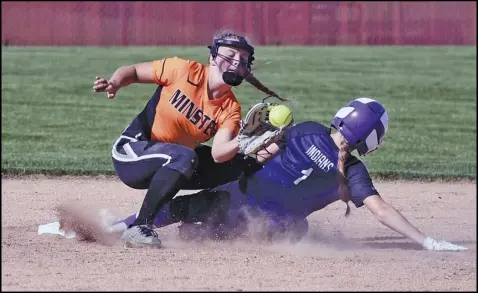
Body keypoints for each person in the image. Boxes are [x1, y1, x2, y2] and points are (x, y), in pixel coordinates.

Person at [108, 97, 468, 251]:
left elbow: (261, 154)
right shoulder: (354, 171)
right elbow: (381, 210)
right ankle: (214, 236)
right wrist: (425, 241)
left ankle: (122, 227)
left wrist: (247, 141)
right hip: (274, 226)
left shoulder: (309, 128)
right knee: (297, 228)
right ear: (370, 140)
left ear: (344, 115)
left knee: (179, 209)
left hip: (234, 200)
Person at [92, 29, 282, 248]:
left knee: (237, 167)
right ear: (213, 57)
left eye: (242, 59)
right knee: (185, 157)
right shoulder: (183, 70)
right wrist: (115, 82)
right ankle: (140, 226)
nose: (236, 62)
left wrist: (245, 140)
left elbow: (219, 154)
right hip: (133, 153)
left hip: (175, 161)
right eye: (230, 55)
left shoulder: (230, 108)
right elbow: (133, 71)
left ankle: (200, 220)